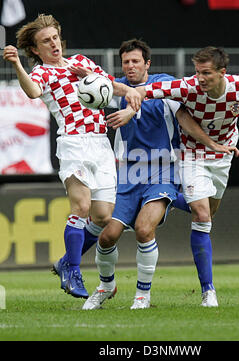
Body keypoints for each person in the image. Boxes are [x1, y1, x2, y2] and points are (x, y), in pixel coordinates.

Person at [82, 40, 239, 310]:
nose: (130, 66)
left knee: (145, 229)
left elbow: (179, 114)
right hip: (127, 174)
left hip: (161, 171)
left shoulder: (163, 83)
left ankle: (143, 296)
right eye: (126, 62)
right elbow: (93, 87)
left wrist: (213, 144)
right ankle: (106, 286)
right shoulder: (116, 87)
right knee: (107, 236)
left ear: (147, 64)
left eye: (136, 61)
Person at [134, 46, 239, 307]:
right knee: (202, 215)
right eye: (197, 72)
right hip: (192, 154)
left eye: (206, 73)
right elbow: (143, 91)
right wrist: (131, 106)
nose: (200, 79)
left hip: (224, 156)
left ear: (222, 73)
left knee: (210, 211)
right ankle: (208, 291)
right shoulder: (187, 88)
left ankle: (171, 197)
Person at [3, 14, 141, 299]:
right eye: (45, 41)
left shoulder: (82, 62)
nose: (53, 44)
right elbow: (32, 92)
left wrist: (128, 89)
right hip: (74, 144)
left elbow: (107, 84)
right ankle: (73, 272)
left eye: (54, 38)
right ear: (35, 50)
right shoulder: (42, 73)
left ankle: (66, 260)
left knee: (103, 216)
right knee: (81, 206)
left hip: (101, 143)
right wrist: (17, 64)